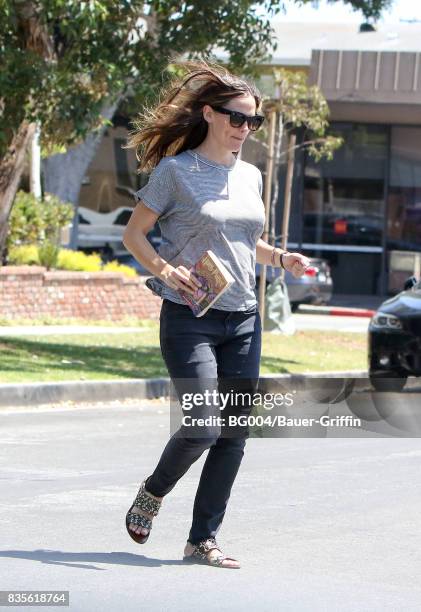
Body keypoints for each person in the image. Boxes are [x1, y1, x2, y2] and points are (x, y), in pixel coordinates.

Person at [122, 59, 310, 569]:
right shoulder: (176, 172)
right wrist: (165, 268)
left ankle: (202, 539)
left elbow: (249, 243)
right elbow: (134, 235)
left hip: (243, 319)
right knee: (203, 426)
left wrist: (281, 258)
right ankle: (153, 492)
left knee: (233, 434)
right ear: (208, 114)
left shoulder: (251, 175)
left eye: (252, 122)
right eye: (236, 118)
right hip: (190, 315)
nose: (244, 129)